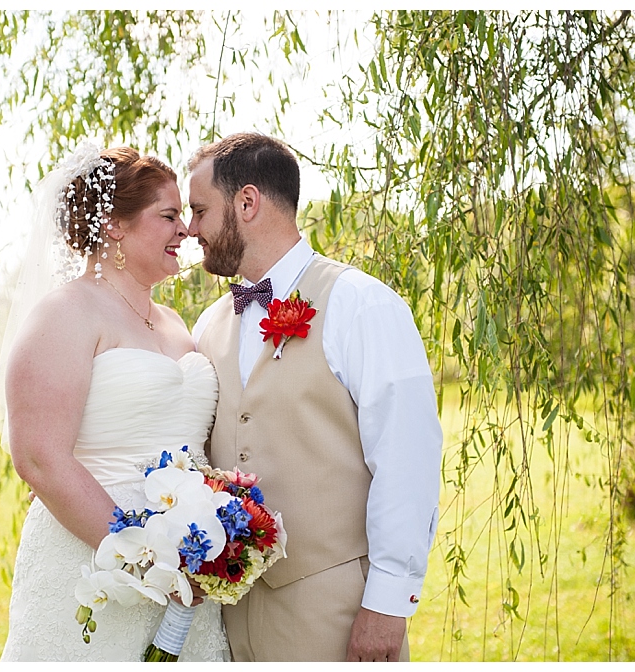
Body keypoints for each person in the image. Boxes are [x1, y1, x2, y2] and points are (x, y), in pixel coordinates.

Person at [188, 133, 443, 662]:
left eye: (199, 210)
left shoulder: (362, 304)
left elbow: (407, 461)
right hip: (228, 619)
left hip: (336, 612)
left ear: (248, 202)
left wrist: (389, 604)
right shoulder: (209, 326)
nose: (190, 230)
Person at [0, 143, 230, 662]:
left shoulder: (176, 324)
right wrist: (145, 560)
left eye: (183, 215)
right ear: (114, 225)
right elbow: (40, 459)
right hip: (91, 563)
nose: (185, 230)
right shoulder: (64, 315)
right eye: (168, 215)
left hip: (189, 569)